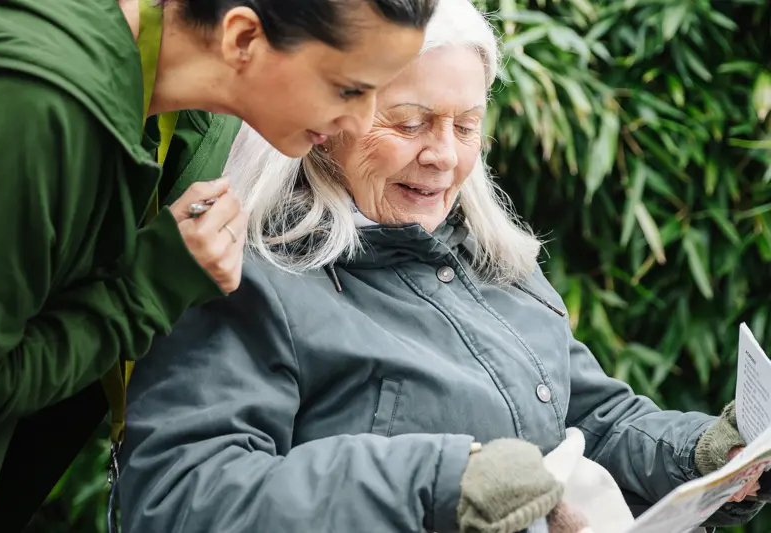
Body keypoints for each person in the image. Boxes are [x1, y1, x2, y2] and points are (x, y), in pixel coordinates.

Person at [116, 0, 768, 531]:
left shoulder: (485, 255)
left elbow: (589, 419)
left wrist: (706, 453)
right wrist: (439, 480)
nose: (444, 155)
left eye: (466, 125)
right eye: (409, 123)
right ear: (331, 114)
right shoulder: (249, 275)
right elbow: (178, 496)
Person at [0, 0, 437, 530]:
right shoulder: (39, 108)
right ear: (241, 38)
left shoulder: (164, 92)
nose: (361, 120)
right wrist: (150, 285)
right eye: (348, 89)